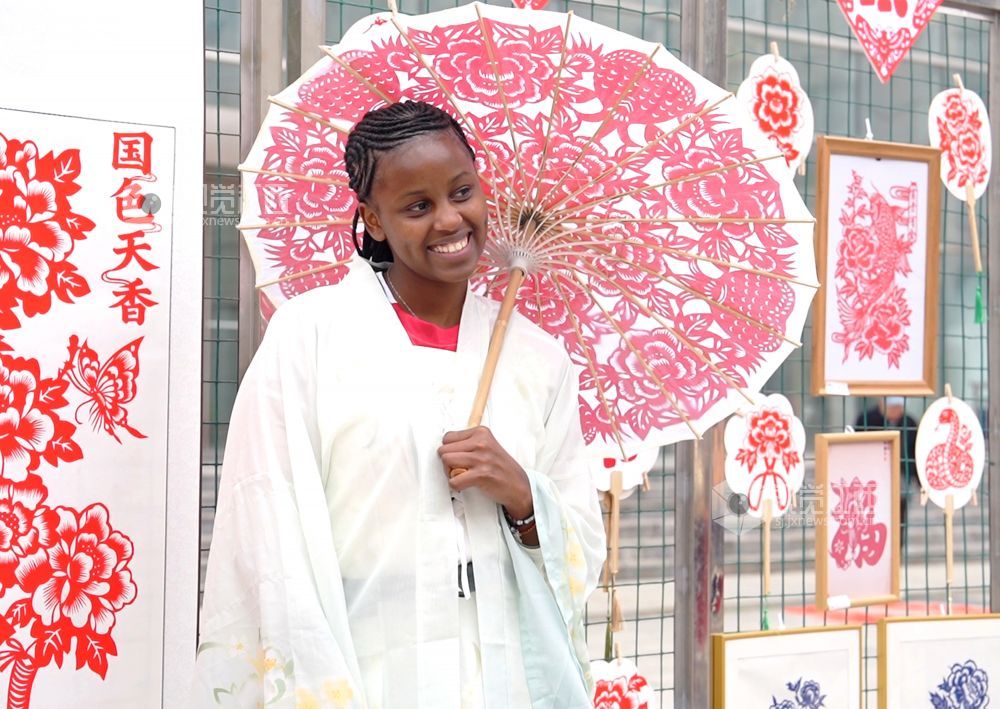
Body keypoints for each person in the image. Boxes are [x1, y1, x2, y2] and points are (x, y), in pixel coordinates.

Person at [193, 101, 606, 708]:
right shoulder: (310, 338)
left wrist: (522, 495)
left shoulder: (536, 358)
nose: (450, 219)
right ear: (374, 220)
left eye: (462, 192)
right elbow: (268, 533)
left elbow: (583, 549)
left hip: (508, 681)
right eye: (417, 206)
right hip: (366, 671)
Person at [854, 396, 918, 525]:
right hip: (871, 478)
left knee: (898, 519)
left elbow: (915, 453)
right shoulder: (867, 420)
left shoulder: (909, 422)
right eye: (892, 407)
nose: (895, 411)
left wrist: (919, 482)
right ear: (881, 404)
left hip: (901, 479)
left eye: (898, 407)